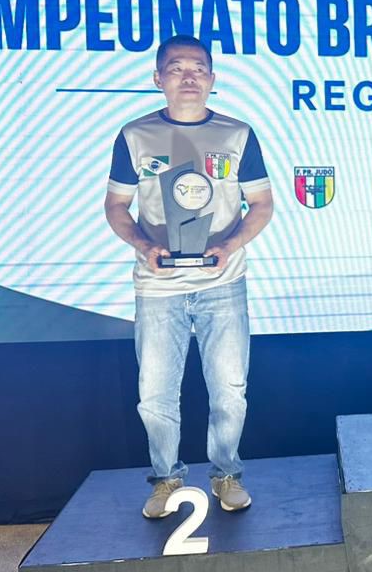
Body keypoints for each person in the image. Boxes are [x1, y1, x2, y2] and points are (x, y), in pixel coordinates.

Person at [104, 34, 274, 516]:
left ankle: (226, 473)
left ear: (213, 79)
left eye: (198, 68)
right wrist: (144, 246)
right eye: (177, 68)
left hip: (223, 282)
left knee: (230, 390)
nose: (189, 77)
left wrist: (228, 246)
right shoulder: (135, 135)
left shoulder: (237, 134)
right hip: (158, 286)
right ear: (157, 78)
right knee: (155, 395)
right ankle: (166, 479)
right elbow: (116, 206)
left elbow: (262, 204)